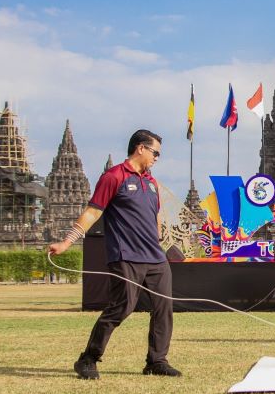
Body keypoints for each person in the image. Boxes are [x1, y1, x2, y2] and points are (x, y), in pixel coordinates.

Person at [48, 129, 182, 379]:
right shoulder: (114, 176)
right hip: (126, 256)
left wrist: (159, 236)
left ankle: (156, 361)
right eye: (155, 153)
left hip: (155, 258)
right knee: (122, 307)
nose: (157, 158)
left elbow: (154, 216)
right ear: (140, 148)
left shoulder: (151, 183)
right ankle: (88, 358)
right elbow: (92, 212)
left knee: (164, 308)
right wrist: (67, 242)